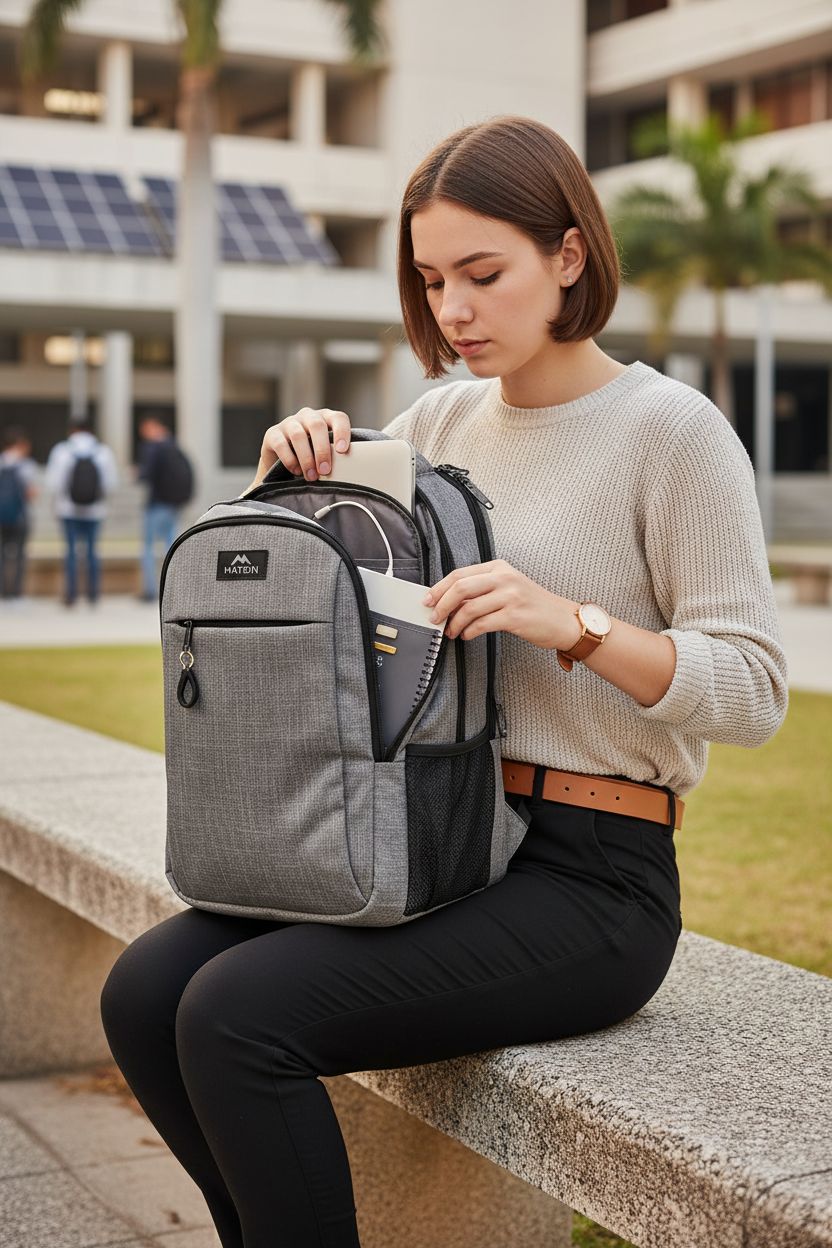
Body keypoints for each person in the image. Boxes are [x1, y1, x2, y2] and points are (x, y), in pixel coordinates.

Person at [99, 116, 788, 1247]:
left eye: (483, 273)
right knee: (142, 994)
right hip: (428, 834)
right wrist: (287, 470)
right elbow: (311, 583)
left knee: (235, 1015)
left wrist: (570, 623)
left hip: (589, 880)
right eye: (430, 279)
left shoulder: (672, 432)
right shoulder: (438, 420)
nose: (453, 310)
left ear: (568, 256)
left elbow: (754, 692)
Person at [46, 417, 118, 607]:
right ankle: (93, 595)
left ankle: (71, 595)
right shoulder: (103, 452)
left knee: (70, 552)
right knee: (92, 551)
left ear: (72, 430)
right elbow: (111, 483)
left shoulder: (62, 451)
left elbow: (54, 483)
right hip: (95, 510)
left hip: (68, 509)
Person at [136, 413, 194, 602]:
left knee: (148, 548)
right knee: (171, 547)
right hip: (174, 504)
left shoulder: (154, 447)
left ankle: (150, 591)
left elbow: (147, 474)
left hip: (157, 503)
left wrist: (137, 473)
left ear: (152, 426)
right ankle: (174, 590)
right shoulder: (175, 446)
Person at [0, 426, 38, 604]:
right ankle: (16, 593)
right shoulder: (25, 465)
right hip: (20, 517)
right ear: (21, 444)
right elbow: (30, 493)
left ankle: (2, 593)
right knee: (19, 555)